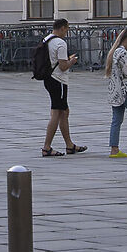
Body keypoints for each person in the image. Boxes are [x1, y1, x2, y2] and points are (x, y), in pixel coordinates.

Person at [36, 18, 87, 157]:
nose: (67, 32)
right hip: (58, 80)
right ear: (63, 28)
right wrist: (72, 61)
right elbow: (63, 66)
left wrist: (65, 60)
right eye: (67, 29)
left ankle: (69, 145)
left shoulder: (47, 39)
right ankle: (46, 147)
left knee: (64, 111)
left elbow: (54, 60)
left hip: (48, 78)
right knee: (57, 113)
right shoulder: (60, 43)